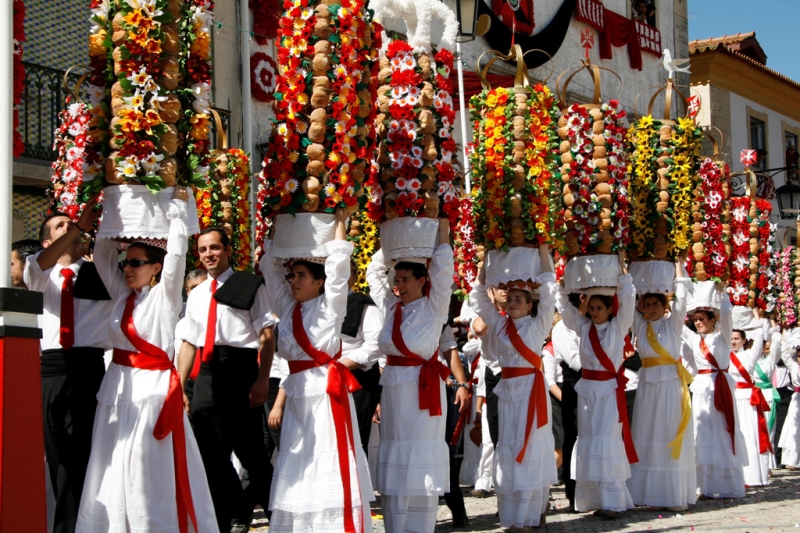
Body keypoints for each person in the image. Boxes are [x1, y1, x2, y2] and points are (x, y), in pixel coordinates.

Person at [76, 187, 218, 532]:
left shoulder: (164, 297)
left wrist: (178, 211)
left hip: (151, 392)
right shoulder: (122, 295)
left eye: (137, 263)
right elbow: (105, 253)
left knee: (146, 470)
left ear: (155, 268)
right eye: (127, 263)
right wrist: (109, 209)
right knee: (109, 465)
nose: (127, 269)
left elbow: (177, 258)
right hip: (117, 389)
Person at [262, 208, 373, 531]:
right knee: (297, 460)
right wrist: (277, 231)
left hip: (325, 395)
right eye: (292, 276)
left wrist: (339, 224)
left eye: (301, 276)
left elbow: (339, 270)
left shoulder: (330, 307)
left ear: (318, 282)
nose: (293, 281)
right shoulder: (287, 307)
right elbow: (270, 270)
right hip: (298, 393)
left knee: (327, 457)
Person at [177, 228, 276, 533]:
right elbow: (189, 342)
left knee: (251, 454)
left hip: (241, 372)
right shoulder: (196, 294)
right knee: (208, 453)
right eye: (203, 249)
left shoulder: (248, 285)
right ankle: (230, 514)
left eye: (215, 248)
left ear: (228, 250)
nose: (209, 254)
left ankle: (278, 515)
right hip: (206, 375)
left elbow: (267, 335)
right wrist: (179, 385)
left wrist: (261, 379)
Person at [26, 201, 113, 533]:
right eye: (61, 226)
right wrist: (78, 226)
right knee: (55, 453)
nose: (71, 227)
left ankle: (70, 527)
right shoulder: (40, 275)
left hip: (86, 368)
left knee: (79, 455)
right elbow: (37, 265)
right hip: (48, 369)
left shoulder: (102, 275)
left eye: (72, 224)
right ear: (48, 242)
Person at [366, 220, 454, 533]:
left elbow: (444, 273)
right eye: (397, 278)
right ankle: (396, 526)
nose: (398, 285)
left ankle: (420, 526)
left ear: (421, 281)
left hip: (423, 391)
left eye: (404, 279)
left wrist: (442, 236)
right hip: (393, 391)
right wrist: (386, 244)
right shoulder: (390, 307)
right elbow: (373, 275)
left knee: (419, 458)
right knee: (395, 453)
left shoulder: (434, 308)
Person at [471, 245, 557, 530]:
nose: (513, 303)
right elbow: (478, 299)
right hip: (508, 392)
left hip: (531, 391)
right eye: (510, 300)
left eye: (519, 299)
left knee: (531, 447)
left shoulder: (538, 324)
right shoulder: (500, 325)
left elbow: (550, 293)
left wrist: (544, 257)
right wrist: (485, 266)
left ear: (529, 304)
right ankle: (513, 516)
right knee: (508, 447)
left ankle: (534, 511)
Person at [556, 252, 636, 519]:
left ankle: (612, 502)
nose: (594, 312)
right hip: (587, 392)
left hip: (608, 392)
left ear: (610, 309)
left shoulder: (617, 328)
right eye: (591, 308)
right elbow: (566, 312)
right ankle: (593, 499)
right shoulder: (583, 327)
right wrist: (560, 286)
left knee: (607, 440)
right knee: (589, 440)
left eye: (599, 308)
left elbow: (627, 299)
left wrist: (623, 274)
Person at [627, 260, 697, 511]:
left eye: (656, 304)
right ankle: (647, 493)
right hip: (648, 387)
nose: (651, 308)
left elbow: (683, 299)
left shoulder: (673, 324)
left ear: (664, 306)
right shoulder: (640, 325)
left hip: (670, 386)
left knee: (668, 433)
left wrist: (679, 266)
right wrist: (626, 268)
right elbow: (626, 299)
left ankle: (673, 495)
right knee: (646, 433)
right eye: (647, 304)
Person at [682, 290, 747, 499]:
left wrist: (723, 293)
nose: (698, 323)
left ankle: (728, 485)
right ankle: (704, 486)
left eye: (702, 319)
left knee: (722, 430)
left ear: (712, 320)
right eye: (695, 320)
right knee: (702, 432)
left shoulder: (723, 337)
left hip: (720, 385)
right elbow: (678, 325)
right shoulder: (694, 339)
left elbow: (727, 315)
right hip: (702, 387)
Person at [340, 260, 384, 457]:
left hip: (356, 380)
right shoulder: (317, 305)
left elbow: (375, 343)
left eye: (345, 272)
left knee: (354, 441)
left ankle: (357, 486)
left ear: (353, 276)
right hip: (324, 377)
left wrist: (341, 364)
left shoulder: (363, 304)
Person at [551, 292, 585, 513]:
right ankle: (574, 494)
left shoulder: (590, 324)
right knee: (573, 439)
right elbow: (575, 361)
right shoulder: (561, 328)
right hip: (574, 388)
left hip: (597, 384)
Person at [730, 324, 771, 487]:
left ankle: (752, 476)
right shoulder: (724, 355)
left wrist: (754, 323)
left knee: (749, 433)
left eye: (737, 339)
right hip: (731, 397)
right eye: (731, 339)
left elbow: (760, 336)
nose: (733, 342)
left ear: (744, 340)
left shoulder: (749, 355)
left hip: (747, 399)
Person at [440, 326, 470, 528]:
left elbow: (450, 350)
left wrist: (461, 384)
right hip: (400, 389)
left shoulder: (438, 316)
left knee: (443, 449)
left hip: (435, 388)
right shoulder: (391, 311)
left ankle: (458, 510)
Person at [175, 269, 208, 403]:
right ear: (187, 291)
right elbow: (178, 354)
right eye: (194, 288)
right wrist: (179, 388)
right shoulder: (180, 323)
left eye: (203, 286)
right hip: (187, 385)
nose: (199, 291)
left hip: (211, 384)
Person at [754, 323, 783, 470]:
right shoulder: (749, 359)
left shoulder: (770, 360)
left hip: (768, 396)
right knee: (756, 430)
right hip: (753, 396)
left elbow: (777, 343)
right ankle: (757, 463)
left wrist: (773, 329)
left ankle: (769, 465)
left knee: (769, 430)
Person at [543, 320, 564, 482]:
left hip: (569, 392)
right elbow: (549, 381)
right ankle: (545, 479)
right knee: (559, 443)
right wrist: (565, 398)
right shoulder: (549, 350)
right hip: (557, 397)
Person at [779, 331, 800, 469]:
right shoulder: (794, 366)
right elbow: (785, 354)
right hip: (797, 399)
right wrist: (785, 338)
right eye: (799, 355)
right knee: (793, 428)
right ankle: (792, 460)